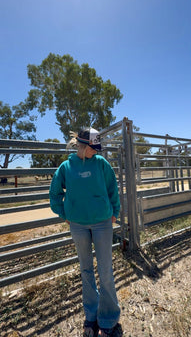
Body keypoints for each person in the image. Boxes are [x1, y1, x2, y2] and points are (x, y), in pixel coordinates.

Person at [49, 127, 122, 337]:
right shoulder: (65, 167)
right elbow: (54, 194)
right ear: (82, 145)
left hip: (102, 224)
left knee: (106, 270)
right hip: (78, 226)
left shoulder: (101, 164)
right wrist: (66, 214)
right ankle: (91, 315)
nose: (96, 151)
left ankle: (108, 318)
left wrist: (114, 212)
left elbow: (112, 189)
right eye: (93, 148)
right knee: (86, 270)